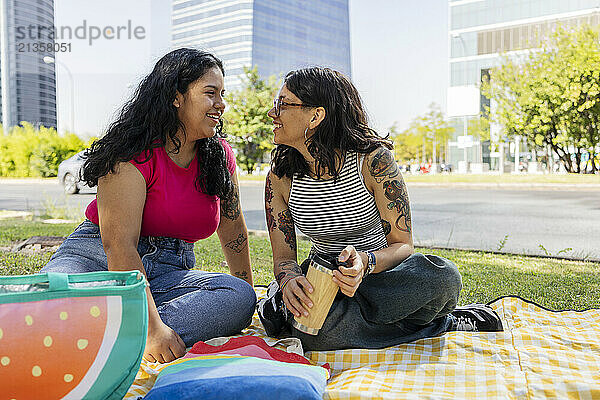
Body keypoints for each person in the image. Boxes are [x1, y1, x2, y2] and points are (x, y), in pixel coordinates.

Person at [258, 67, 502, 351]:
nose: (272, 113)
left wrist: (365, 263)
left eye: (283, 104)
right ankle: (434, 326)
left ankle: (443, 322)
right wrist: (289, 281)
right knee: (314, 337)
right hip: (325, 283)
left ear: (316, 116)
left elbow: (402, 246)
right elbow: (284, 259)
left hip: (383, 279)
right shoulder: (280, 175)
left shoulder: (373, 161)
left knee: (445, 277)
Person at [42, 49, 257, 363]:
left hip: (167, 273)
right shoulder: (132, 152)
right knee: (44, 303)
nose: (221, 104)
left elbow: (232, 225)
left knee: (236, 298)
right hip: (96, 259)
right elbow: (119, 246)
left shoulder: (220, 156)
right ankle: (121, 330)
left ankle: (100, 332)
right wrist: (153, 329)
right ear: (176, 97)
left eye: (222, 94)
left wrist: (247, 292)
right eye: (210, 93)